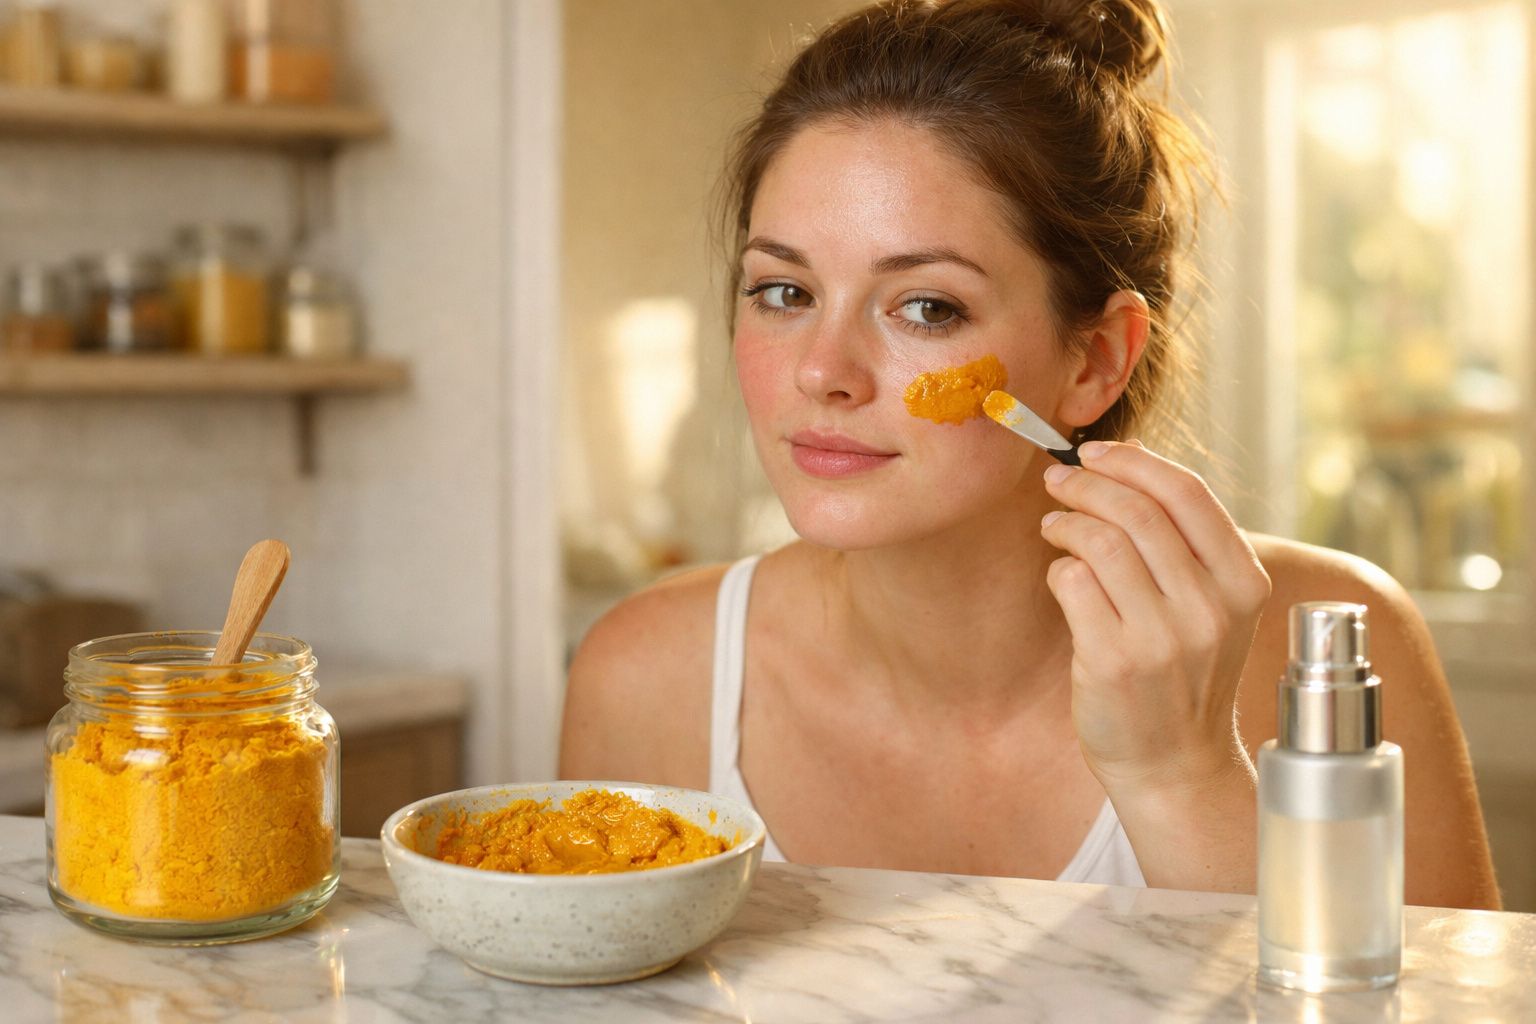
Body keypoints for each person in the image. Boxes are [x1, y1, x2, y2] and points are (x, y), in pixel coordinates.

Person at [560, 0, 1501, 908]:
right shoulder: (647, 680)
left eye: (927, 307)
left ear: (1093, 363)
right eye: (781, 291)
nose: (823, 373)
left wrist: (1181, 774)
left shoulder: (1333, 653)